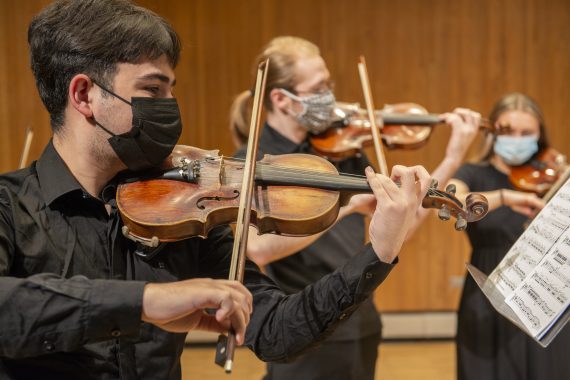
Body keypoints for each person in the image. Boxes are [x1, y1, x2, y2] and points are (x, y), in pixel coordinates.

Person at [0, 1, 435, 379]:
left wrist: (378, 252)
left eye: (171, 91)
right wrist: (146, 300)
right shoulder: (10, 206)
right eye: (152, 89)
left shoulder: (184, 216)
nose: (169, 108)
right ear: (84, 95)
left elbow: (278, 331)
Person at [229, 36, 481, 380]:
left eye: (329, 83)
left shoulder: (342, 150)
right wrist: (347, 206)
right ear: (281, 99)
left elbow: (401, 230)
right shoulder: (254, 162)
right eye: (319, 87)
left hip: (360, 319)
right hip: (303, 322)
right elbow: (255, 247)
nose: (330, 96)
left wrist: (451, 158)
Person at [447, 92, 570, 380]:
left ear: (539, 136)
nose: (517, 139)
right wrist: (503, 197)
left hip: (545, 295)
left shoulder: (553, 176)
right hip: (489, 296)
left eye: (526, 133)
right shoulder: (473, 173)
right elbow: (452, 203)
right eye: (508, 131)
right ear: (492, 133)